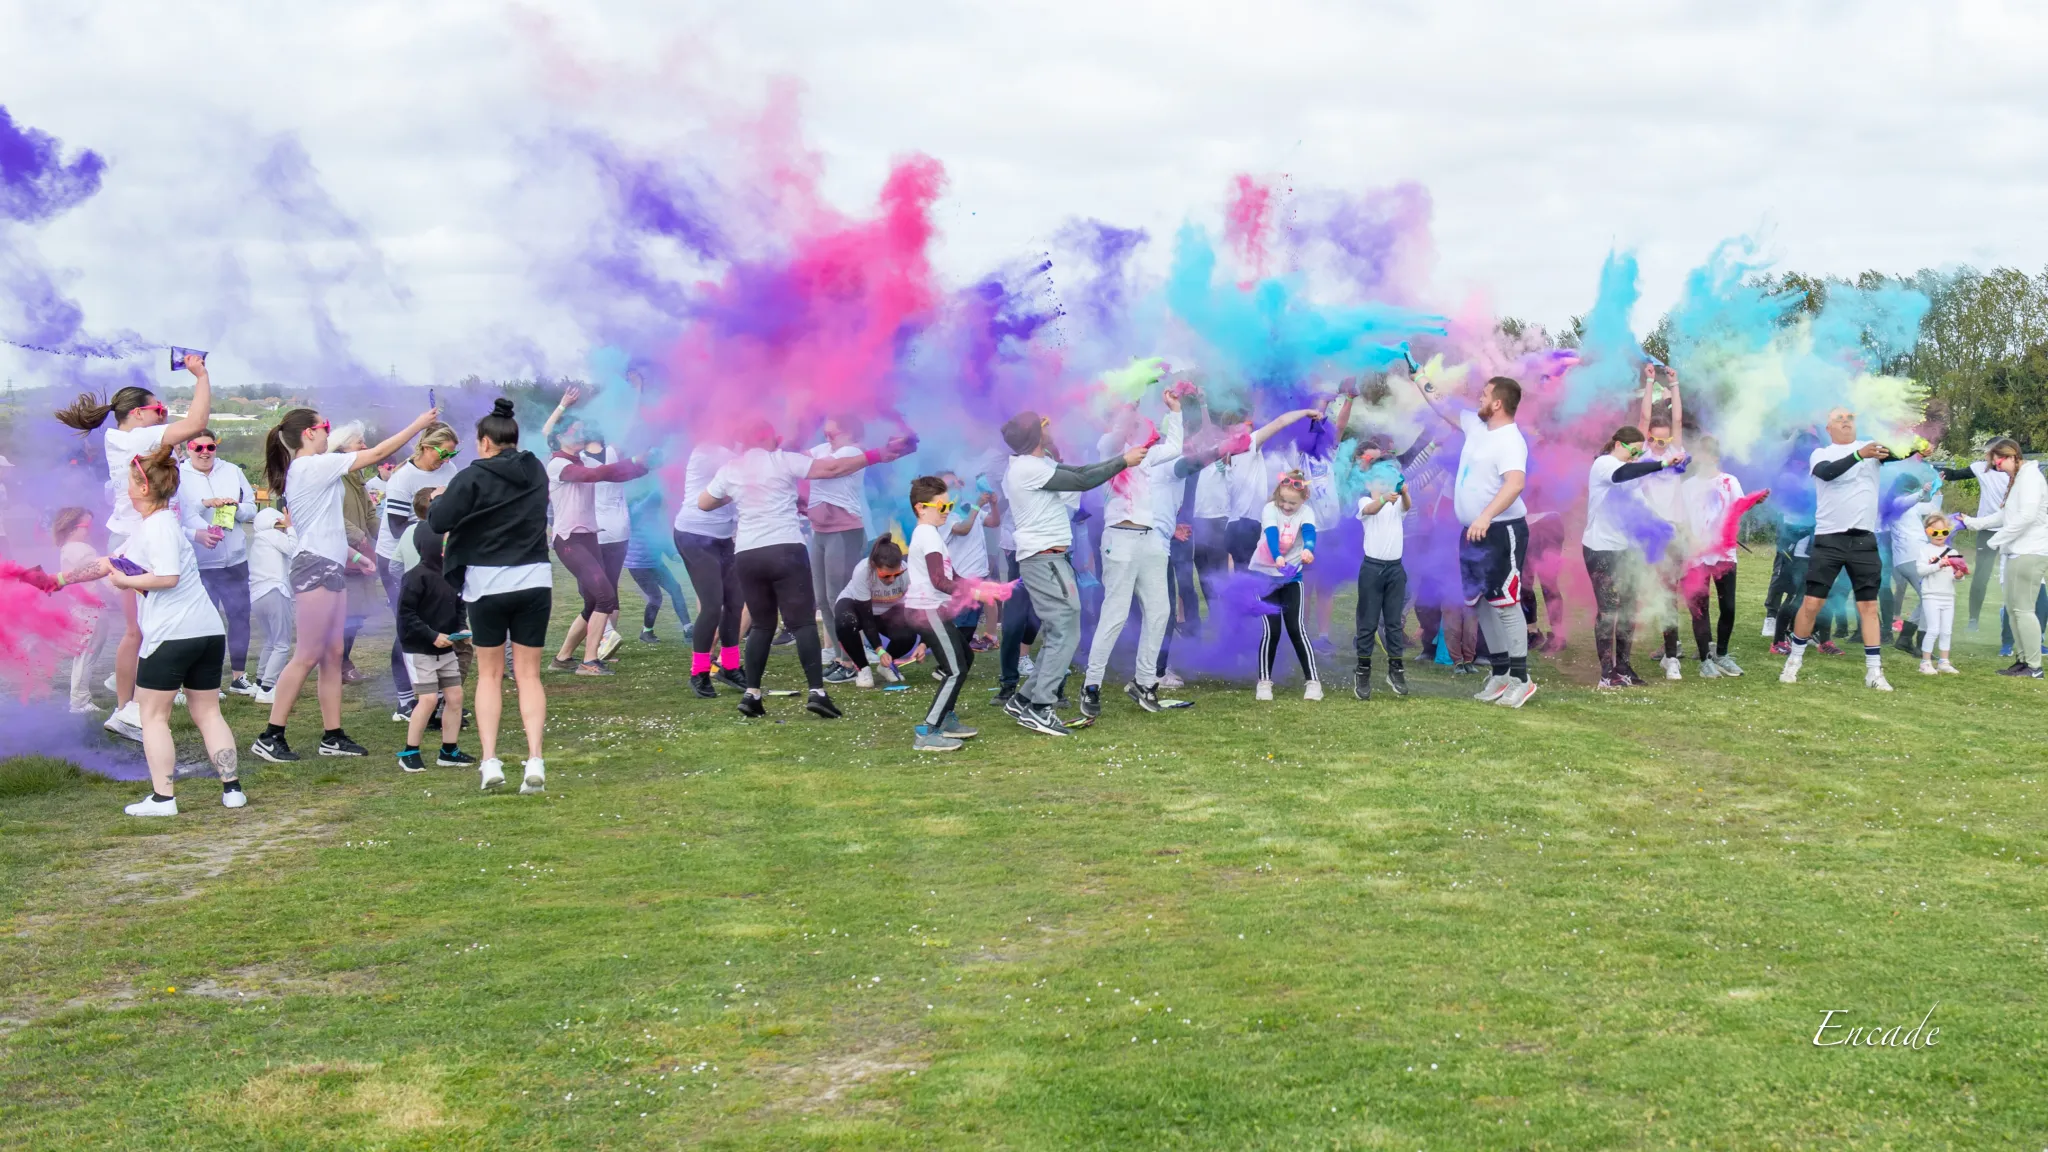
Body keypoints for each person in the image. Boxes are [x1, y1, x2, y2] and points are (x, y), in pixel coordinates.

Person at [57, 447, 244, 815]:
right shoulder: (156, 525)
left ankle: (163, 798)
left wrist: (125, 582)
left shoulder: (158, 528)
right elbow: (108, 561)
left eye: (129, 482)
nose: (125, 489)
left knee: (152, 717)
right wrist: (59, 579)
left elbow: (167, 577)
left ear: (143, 487)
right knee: (207, 713)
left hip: (172, 635)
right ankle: (232, 790)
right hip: (206, 632)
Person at [252, 403, 440, 762]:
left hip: (328, 565)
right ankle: (270, 735)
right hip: (314, 567)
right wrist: (417, 424)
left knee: (333, 655)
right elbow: (379, 453)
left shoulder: (314, 468)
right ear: (309, 433)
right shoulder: (310, 465)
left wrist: (355, 556)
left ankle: (332, 735)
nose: (328, 431)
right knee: (307, 654)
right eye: (324, 426)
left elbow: (325, 524)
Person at [697, 420, 910, 719]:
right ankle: (817, 693)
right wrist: (877, 454)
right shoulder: (783, 459)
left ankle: (752, 694)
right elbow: (832, 469)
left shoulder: (732, 468)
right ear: (770, 438)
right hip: (784, 548)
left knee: (761, 625)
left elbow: (704, 502)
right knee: (803, 624)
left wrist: (741, 490)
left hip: (747, 552)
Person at [52, 352, 215, 740]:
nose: (163, 415)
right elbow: (197, 424)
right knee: (140, 631)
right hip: (136, 541)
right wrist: (201, 376)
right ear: (138, 414)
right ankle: (131, 710)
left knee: (141, 631)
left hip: (138, 537)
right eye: (159, 409)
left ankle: (135, 707)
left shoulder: (125, 439)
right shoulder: (136, 437)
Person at [426, 399, 552, 792]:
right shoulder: (536, 469)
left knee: (490, 675)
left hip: (487, 585)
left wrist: (439, 499)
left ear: (483, 443)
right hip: (534, 578)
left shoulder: (472, 476)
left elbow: (439, 522)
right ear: (515, 439)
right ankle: (535, 760)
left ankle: (490, 761)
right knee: (529, 675)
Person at [999, 411, 1150, 735]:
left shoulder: (1038, 464)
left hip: (1049, 559)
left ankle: (1024, 700)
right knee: (1066, 630)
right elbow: (1082, 481)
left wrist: (1122, 459)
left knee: (1061, 630)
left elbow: (1080, 472)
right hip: (1045, 560)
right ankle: (1040, 706)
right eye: (1044, 426)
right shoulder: (1027, 467)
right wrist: (1124, 460)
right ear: (1034, 436)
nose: (1051, 427)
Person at [1413, 373, 1538, 707]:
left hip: (1501, 531)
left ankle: (1521, 679)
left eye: (1484, 395)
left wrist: (1485, 516)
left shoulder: (1511, 440)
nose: (1479, 399)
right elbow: (1440, 405)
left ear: (1498, 403)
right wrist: (1418, 375)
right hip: (1471, 532)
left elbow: (1515, 484)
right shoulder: (1477, 427)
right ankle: (1499, 674)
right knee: (1478, 602)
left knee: (1505, 603)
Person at [1777, 408, 1895, 691]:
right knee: (1812, 604)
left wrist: (1917, 447)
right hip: (1830, 539)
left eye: (1850, 418)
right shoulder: (1822, 453)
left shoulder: (1872, 449)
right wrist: (1859, 455)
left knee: (1868, 606)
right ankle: (1793, 662)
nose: (1845, 422)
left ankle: (1874, 673)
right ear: (1828, 428)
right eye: (1839, 419)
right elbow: (1827, 473)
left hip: (1864, 540)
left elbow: (1899, 453)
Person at [545, 419, 649, 675]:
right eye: (574, 429)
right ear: (558, 436)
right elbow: (593, 476)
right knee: (604, 596)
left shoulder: (586, 461)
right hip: (569, 541)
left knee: (593, 601)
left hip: (589, 538)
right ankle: (589, 661)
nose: (582, 433)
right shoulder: (558, 464)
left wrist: (646, 464)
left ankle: (562, 659)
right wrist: (632, 461)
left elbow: (613, 474)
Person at [375, 422, 460, 720]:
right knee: (410, 626)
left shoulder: (450, 472)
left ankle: (434, 696)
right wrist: (434, 533)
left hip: (435, 558)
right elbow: (398, 526)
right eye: (442, 453)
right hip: (398, 558)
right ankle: (404, 700)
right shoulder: (403, 478)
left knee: (437, 621)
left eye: (452, 454)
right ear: (426, 446)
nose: (447, 459)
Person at [903, 476, 987, 751]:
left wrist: (978, 586)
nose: (948, 510)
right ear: (920, 508)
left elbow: (951, 574)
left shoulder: (932, 534)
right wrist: (972, 594)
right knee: (954, 670)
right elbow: (939, 580)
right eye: (941, 506)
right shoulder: (927, 534)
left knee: (965, 656)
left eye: (949, 504)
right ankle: (927, 731)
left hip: (932, 610)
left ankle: (947, 719)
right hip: (926, 610)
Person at [176, 429, 259, 697]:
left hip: (235, 558)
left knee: (239, 617)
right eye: (197, 447)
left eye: (209, 447)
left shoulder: (232, 471)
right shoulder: (178, 475)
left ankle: (239, 676)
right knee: (204, 623)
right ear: (187, 449)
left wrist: (234, 508)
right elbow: (178, 514)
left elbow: (252, 506)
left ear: (216, 448)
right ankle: (203, 682)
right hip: (200, 562)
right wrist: (205, 504)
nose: (204, 453)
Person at [1958, 437, 2048, 678]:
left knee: (2023, 610)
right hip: (2016, 551)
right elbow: (2004, 516)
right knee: (2013, 608)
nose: (1995, 466)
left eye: (1996, 460)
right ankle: (2022, 660)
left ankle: (2034, 666)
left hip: (2029, 551)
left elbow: (2026, 517)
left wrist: (1995, 541)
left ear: (2010, 456)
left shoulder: (2030, 477)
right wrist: (1970, 523)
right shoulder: (2018, 479)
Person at [395, 522, 474, 773]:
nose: (447, 546)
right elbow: (406, 615)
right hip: (420, 650)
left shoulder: (452, 574)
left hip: (446, 649)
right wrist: (432, 636)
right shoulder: (415, 577)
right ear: (426, 545)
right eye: (443, 541)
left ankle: (448, 751)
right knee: (428, 700)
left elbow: (459, 606)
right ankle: (409, 752)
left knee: (455, 697)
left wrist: (461, 628)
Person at [674, 440, 745, 697]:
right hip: (694, 534)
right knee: (713, 605)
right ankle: (699, 672)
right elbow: (744, 473)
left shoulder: (735, 451)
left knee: (735, 602)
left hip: (724, 537)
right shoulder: (707, 450)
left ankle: (730, 666)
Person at [1680, 435, 1749, 679]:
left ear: (1716, 457)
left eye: (1707, 454)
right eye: (1699, 453)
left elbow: (1736, 513)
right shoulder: (1687, 486)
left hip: (1724, 555)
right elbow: (1683, 520)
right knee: (1700, 609)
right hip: (1696, 557)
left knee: (1728, 606)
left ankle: (1722, 654)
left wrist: (1723, 537)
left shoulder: (1730, 482)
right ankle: (1705, 659)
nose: (1702, 458)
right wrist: (1692, 539)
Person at [807, 416, 873, 666]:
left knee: (839, 598)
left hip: (843, 532)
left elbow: (820, 467)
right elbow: (797, 459)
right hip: (820, 531)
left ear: (848, 432)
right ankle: (840, 655)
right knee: (823, 599)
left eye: (832, 434)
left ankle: (851, 660)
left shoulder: (851, 451)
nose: (826, 438)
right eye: (825, 433)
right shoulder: (825, 449)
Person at [1251, 471, 1321, 700]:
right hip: (1264, 576)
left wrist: (1309, 549)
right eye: (1283, 501)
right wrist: (1276, 556)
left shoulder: (1307, 512)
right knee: (1272, 630)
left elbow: (1309, 533)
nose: (1287, 507)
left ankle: (1313, 682)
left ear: (1304, 499)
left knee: (1296, 628)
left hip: (1292, 578)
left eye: (1292, 503)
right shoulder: (1269, 509)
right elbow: (1272, 535)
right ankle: (1264, 682)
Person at [1351, 454, 1412, 700]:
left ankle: (1396, 670)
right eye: (1380, 481)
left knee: (1394, 622)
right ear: (1368, 484)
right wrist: (1385, 498)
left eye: (1389, 481)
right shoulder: (1366, 501)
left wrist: (1404, 492)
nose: (1385, 485)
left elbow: (1406, 506)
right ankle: (1363, 671)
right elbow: (1370, 509)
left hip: (1395, 570)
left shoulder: (1397, 505)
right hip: (1372, 569)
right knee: (1367, 622)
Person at [326, 422, 382, 684]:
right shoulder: (332, 474)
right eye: (359, 443)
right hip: (341, 553)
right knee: (346, 614)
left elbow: (369, 511)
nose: (365, 447)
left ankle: (341, 661)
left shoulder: (356, 474)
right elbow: (332, 515)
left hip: (360, 551)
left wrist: (382, 537)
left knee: (357, 614)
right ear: (342, 446)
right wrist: (359, 538)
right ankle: (339, 663)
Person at [826, 536, 918, 688]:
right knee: (846, 623)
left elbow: (915, 611)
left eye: (896, 575)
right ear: (874, 566)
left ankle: (886, 665)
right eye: (886, 575)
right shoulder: (863, 571)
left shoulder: (907, 573)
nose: (892, 580)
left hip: (886, 609)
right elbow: (867, 618)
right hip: (857, 607)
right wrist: (879, 649)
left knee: (908, 635)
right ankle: (863, 668)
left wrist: (924, 643)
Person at [55, 508, 108, 714]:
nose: (89, 531)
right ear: (72, 528)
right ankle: (79, 701)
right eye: (86, 526)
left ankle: (80, 699)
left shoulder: (69, 548)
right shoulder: (81, 549)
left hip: (83, 606)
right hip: (90, 608)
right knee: (87, 653)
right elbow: (100, 575)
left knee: (87, 652)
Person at [623, 487, 692, 642]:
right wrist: (661, 481)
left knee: (676, 589)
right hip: (638, 565)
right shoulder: (635, 511)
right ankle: (646, 632)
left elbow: (661, 540)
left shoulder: (656, 517)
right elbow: (650, 499)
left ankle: (688, 628)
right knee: (655, 597)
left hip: (656, 563)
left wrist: (673, 554)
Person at [248, 507, 296, 701]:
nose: (282, 527)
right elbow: (295, 549)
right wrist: (291, 528)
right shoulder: (271, 535)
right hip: (275, 592)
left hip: (257, 596)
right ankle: (268, 688)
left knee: (270, 641)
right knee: (282, 644)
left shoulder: (257, 540)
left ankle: (259, 683)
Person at [1908, 513, 1966, 675]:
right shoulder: (1925, 550)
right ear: (1928, 532)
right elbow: (1920, 571)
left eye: (1943, 532)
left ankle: (1944, 661)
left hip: (1948, 595)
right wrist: (1938, 564)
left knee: (1946, 630)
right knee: (1933, 629)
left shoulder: (1952, 551)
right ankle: (1925, 662)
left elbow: (1957, 575)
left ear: (1948, 532)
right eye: (1935, 532)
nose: (1939, 536)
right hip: (1931, 595)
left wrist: (1959, 576)